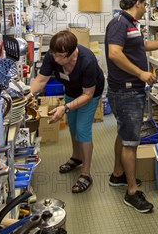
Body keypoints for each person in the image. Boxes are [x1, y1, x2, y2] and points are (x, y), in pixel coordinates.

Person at [105, 0, 158, 213]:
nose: (146, 8)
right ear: (139, 3)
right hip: (126, 90)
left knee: (124, 134)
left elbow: (143, 47)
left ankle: (118, 175)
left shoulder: (132, 25)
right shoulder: (119, 23)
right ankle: (132, 191)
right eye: (145, 4)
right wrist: (141, 73)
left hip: (129, 90)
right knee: (131, 142)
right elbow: (114, 53)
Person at [29, 30, 104, 193]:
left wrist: (65, 107)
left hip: (89, 93)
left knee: (82, 129)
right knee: (72, 125)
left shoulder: (87, 61)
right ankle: (76, 157)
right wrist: (27, 95)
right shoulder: (53, 56)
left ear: (73, 51)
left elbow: (87, 95)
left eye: (61, 56)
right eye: (54, 55)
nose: (56, 60)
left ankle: (86, 173)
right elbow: (41, 80)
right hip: (71, 90)